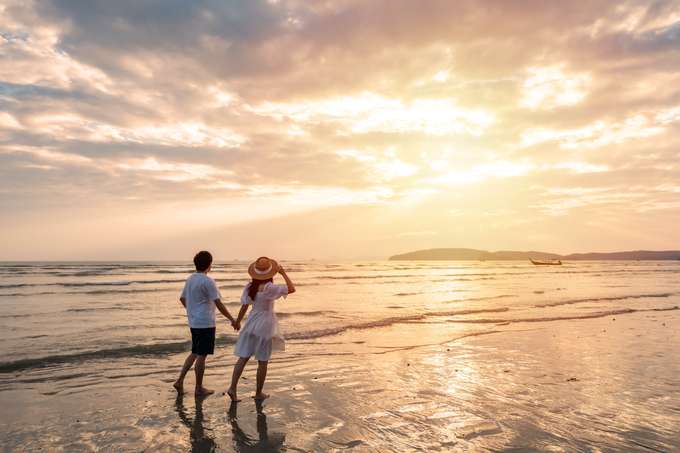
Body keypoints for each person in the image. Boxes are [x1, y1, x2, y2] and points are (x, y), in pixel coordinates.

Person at [227, 256, 296, 401]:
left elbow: (244, 306)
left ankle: (232, 388)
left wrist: (238, 322)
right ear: (270, 273)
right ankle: (258, 393)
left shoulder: (249, 287)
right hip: (265, 324)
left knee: (243, 357)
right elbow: (291, 289)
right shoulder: (269, 288)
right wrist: (283, 273)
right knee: (263, 361)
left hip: (252, 321)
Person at [174, 250, 238, 396]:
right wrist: (232, 319)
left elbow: (182, 299)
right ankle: (198, 388)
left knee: (195, 352)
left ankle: (179, 381)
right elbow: (218, 303)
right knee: (201, 355)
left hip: (195, 322)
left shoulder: (190, 278)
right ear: (209, 264)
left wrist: (192, 311)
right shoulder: (208, 281)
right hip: (205, 323)